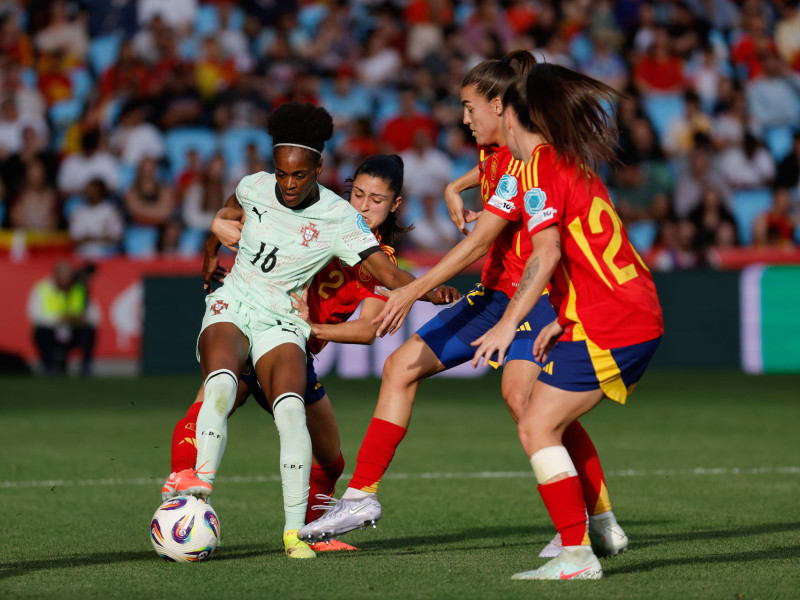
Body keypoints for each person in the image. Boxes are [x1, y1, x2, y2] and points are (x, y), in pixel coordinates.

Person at [299, 51, 630, 561]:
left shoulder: (527, 160)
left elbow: (478, 244)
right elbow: (486, 190)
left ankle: (594, 522)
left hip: (535, 297)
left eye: (470, 107)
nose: (463, 118)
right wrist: (455, 186)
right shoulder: (493, 151)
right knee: (399, 366)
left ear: (501, 106)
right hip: (495, 294)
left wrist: (411, 289)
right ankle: (361, 498)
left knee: (527, 403)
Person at [162, 103, 447, 560]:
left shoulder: (364, 245)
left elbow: (369, 329)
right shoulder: (304, 205)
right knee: (206, 404)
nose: (365, 206)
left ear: (394, 205)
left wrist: (310, 325)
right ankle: (181, 493)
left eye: (377, 201)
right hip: (255, 321)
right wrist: (215, 238)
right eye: (360, 195)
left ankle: (309, 529)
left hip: (291, 343)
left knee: (330, 456)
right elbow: (239, 214)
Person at [465, 63, 663, 580]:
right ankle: (589, 536)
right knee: (539, 417)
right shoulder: (559, 163)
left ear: (509, 116)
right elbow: (586, 251)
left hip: (615, 319)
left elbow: (547, 252)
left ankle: (576, 554)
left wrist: (510, 322)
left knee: (535, 424)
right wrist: (563, 319)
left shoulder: (538, 170)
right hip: (615, 312)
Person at [26, 259, 98, 376]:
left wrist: (82, 319)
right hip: (52, 330)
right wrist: (58, 319)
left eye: (68, 276)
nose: (66, 279)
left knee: (89, 330)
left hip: (74, 330)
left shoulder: (80, 289)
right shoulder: (43, 287)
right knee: (41, 331)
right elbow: (34, 314)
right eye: (62, 276)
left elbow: (96, 316)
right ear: (55, 276)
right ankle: (47, 366)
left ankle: (86, 366)